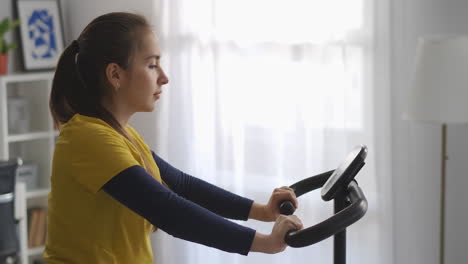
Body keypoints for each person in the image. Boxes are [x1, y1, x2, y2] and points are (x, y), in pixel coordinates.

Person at [45, 12, 303, 263]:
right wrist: (264, 243)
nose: (164, 78)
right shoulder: (88, 138)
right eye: (152, 65)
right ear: (115, 75)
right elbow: (167, 210)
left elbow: (181, 185)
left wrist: (262, 211)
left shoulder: (119, 133)